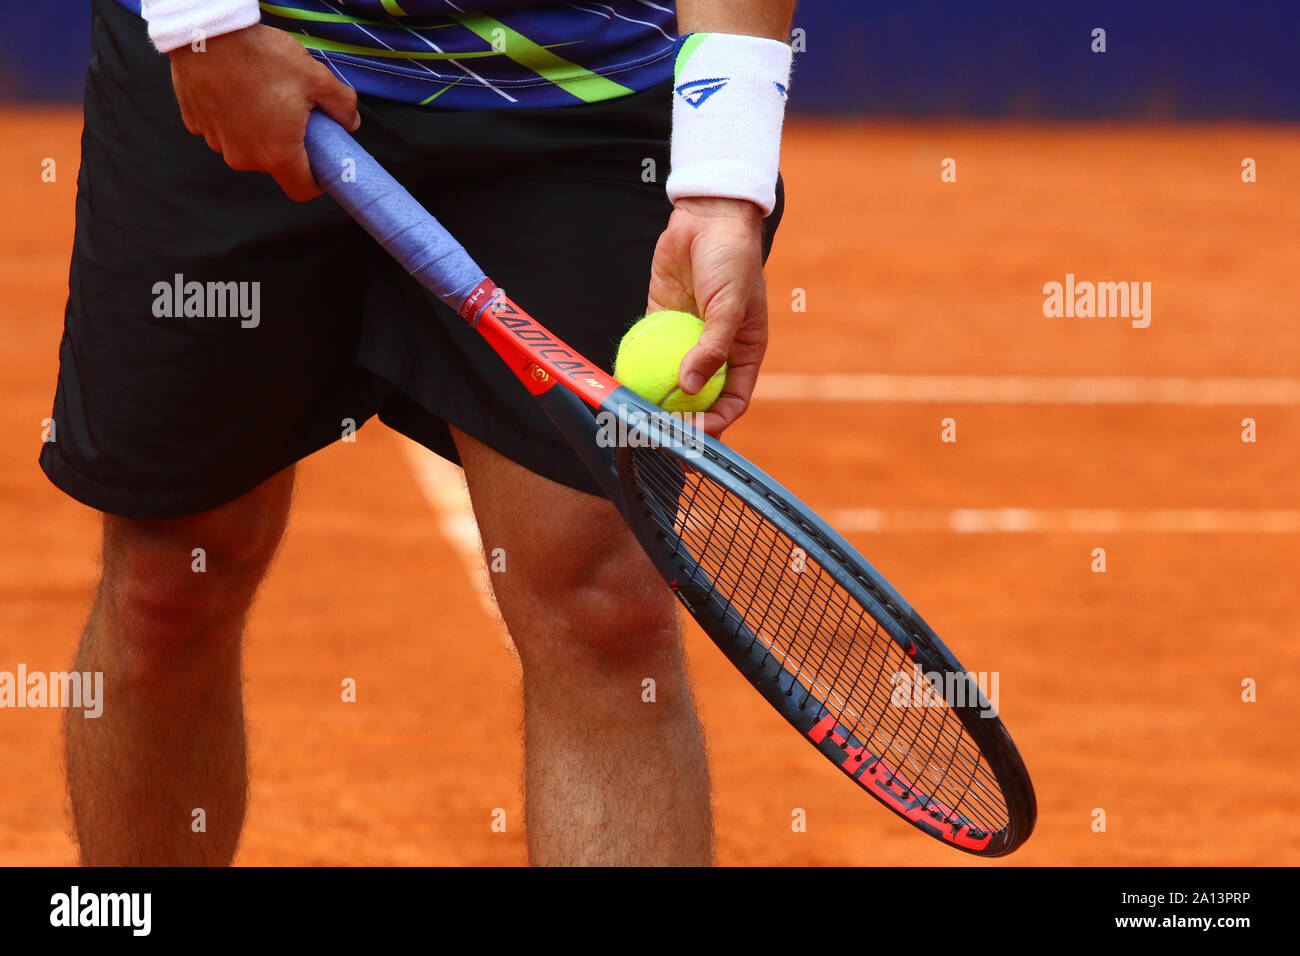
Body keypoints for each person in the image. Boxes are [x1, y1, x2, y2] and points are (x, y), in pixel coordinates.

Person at [44, 0, 794, 865]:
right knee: (168, 579)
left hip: (581, 88)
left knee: (606, 602)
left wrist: (723, 185)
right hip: (251, 44)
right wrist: (202, 24)